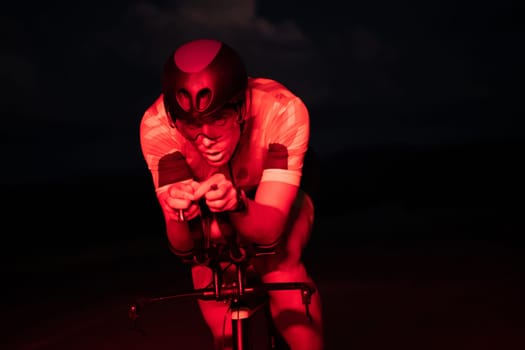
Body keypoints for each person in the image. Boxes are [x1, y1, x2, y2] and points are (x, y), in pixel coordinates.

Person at [139, 38, 324, 350]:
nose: (206, 138)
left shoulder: (283, 108)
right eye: (191, 125)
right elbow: (183, 248)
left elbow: (270, 230)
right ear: (174, 119)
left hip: (273, 200)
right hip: (209, 209)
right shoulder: (157, 124)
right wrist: (176, 214)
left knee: (280, 264)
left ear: (241, 108)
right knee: (204, 266)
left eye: (218, 120)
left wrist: (237, 203)